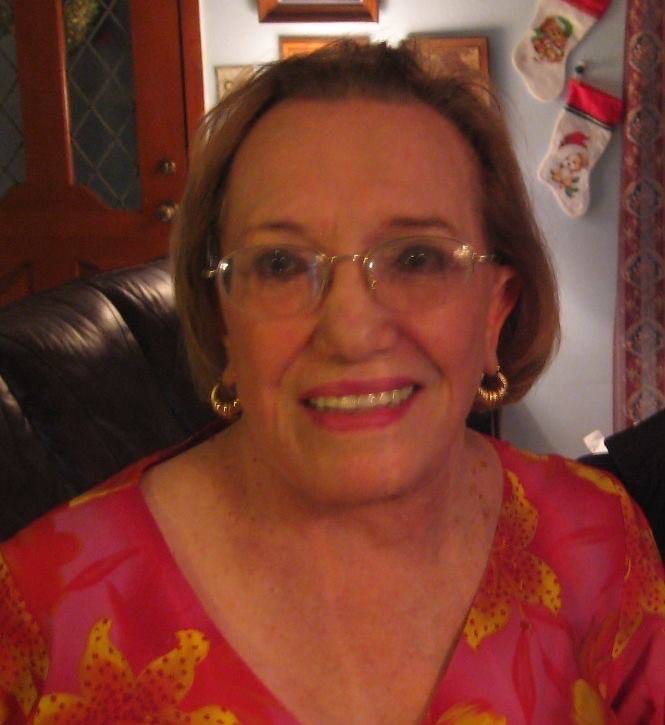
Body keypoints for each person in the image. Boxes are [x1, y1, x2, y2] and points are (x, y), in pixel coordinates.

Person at [1, 41, 663, 724]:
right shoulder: (38, 611)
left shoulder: (598, 539)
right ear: (222, 319)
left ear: (496, 310)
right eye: (281, 265)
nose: (350, 330)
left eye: (416, 258)